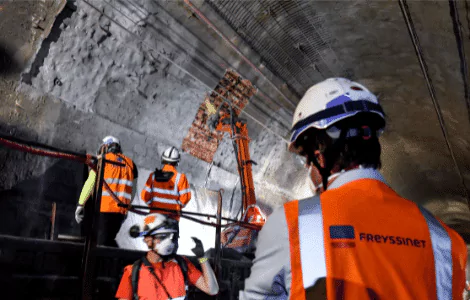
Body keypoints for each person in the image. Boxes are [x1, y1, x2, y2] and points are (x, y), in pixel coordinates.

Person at [239, 77, 467, 299]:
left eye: (306, 158)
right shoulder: (444, 240)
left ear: (319, 152)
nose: (308, 167)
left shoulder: (292, 226)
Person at [115, 213, 219, 299]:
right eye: (162, 236)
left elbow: (212, 289)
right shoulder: (133, 272)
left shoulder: (182, 265)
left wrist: (202, 258)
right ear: (148, 240)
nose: (168, 241)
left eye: (170, 236)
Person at [75, 135, 138, 247]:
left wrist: (81, 204)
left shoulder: (101, 161)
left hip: (103, 210)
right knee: (109, 239)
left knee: (101, 244)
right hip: (120, 213)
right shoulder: (131, 164)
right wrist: (126, 208)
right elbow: (132, 192)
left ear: (105, 146)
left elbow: (90, 184)